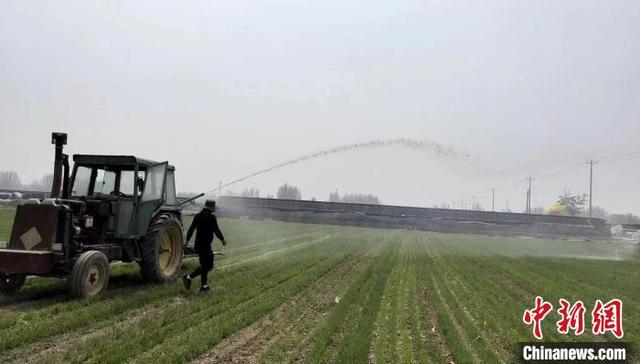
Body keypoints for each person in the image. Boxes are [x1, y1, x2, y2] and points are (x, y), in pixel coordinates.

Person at [182, 200, 226, 292]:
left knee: (204, 265)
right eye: (214, 207)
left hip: (198, 245)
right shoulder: (212, 217)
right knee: (208, 266)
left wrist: (187, 241)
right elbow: (216, 230)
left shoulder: (198, 216)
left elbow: (191, 229)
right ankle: (188, 277)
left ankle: (204, 286)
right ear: (210, 207)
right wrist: (222, 239)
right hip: (205, 245)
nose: (214, 208)